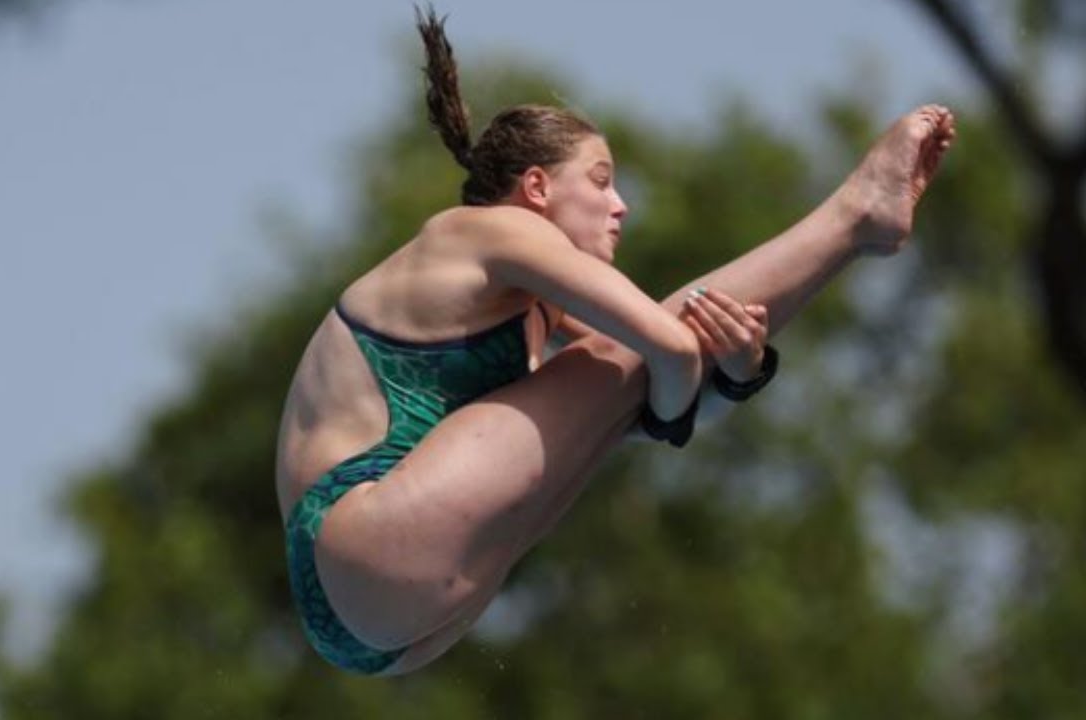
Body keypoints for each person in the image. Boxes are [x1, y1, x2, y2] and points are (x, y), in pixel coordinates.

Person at [275, 6, 956, 676]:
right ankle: (854, 215)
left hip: (385, 608)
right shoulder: (487, 230)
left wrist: (740, 370)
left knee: (619, 374)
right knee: (626, 353)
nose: (620, 205)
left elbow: (654, 415)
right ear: (537, 187)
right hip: (358, 533)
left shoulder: (535, 307)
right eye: (601, 181)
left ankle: (858, 223)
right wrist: (694, 375)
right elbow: (671, 356)